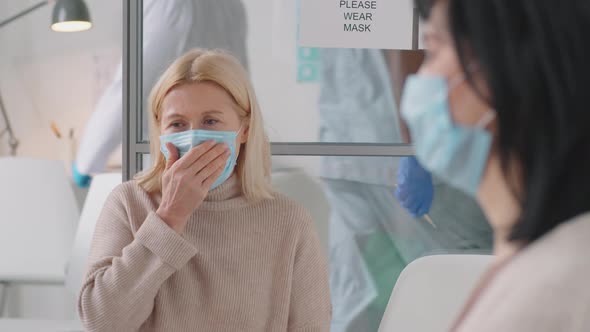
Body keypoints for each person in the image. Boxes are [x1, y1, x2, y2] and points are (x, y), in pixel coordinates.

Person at [78, 49, 332, 331]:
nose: (194, 137)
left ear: (244, 129)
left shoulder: (289, 221)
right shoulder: (128, 203)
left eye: (211, 121)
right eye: (177, 124)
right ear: (160, 130)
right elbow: (101, 321)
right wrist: (169, 217)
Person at [400, 0, 590, 330]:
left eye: (432, 51)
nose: (419, 80)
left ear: (501, 72)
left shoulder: (548, 293)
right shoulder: (548, 255)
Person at [318, 48, 492, 332]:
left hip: (352, 145)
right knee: (455, 293)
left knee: (363, 301)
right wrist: (415, 145)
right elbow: (407, 39)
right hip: (391, 152)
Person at [72, 0, 249, 187]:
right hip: (224, 160)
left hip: (171, 159)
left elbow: (131, 86)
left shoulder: (169, 5)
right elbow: (241, 81)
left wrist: (87, 160)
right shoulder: (231, 4)